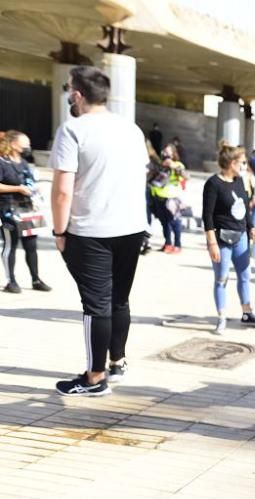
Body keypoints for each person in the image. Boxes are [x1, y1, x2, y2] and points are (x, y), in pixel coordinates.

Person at [49, 65, 148, 396]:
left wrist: (59, 232)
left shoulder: (73, 129)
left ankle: (94, 378)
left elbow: (62, 190)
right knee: (119, 299)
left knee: (96, 305)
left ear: (77, 94)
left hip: (91, 230)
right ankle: (117, 362)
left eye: (68, 89)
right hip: (132, 227)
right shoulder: (132, 129)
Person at [202, 144, 255, 335]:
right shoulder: (213, 184)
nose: (245, 166)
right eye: (242, 162)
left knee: (245, 276)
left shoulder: (240, 181)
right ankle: (222, 317)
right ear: (231, 163)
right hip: (221, 240)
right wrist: (211, 242)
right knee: (221, 278)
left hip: (241, 238)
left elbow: (244, 210)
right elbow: (208, 216)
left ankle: (247, 312)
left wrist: (251, 228)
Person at [0, 131, 50, 293]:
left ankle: (36, 279)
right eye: (25, 143)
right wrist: (17, 188)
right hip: (8, 210)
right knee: (11, 245)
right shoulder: (2, 162)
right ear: (13, 144)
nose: (28, 147)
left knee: (31, 245)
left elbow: (30, 183)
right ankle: (11, 281)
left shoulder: (23, 162)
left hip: (28, 210)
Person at [148, 143, 186, 253]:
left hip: (171, 198)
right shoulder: (160, 164)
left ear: (173, 153)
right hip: (159, 196)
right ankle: (168, 243)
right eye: (164, 151)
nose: (165, 153)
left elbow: (185, 175)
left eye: (168, 151)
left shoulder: (178, 164)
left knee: (174, 222)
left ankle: (177, 244)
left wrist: (173, 166)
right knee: (164, 222)